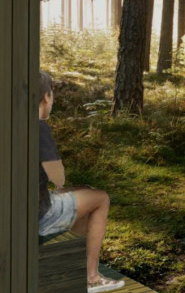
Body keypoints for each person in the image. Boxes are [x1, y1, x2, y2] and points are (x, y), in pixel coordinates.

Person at [38, 71, 125, 293]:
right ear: (46, 97)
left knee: (82, 193)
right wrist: (60, 181)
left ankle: (72, 264)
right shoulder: (38, 126)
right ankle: (91, 278)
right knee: (100, 198)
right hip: (37, 215)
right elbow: (57, 177)